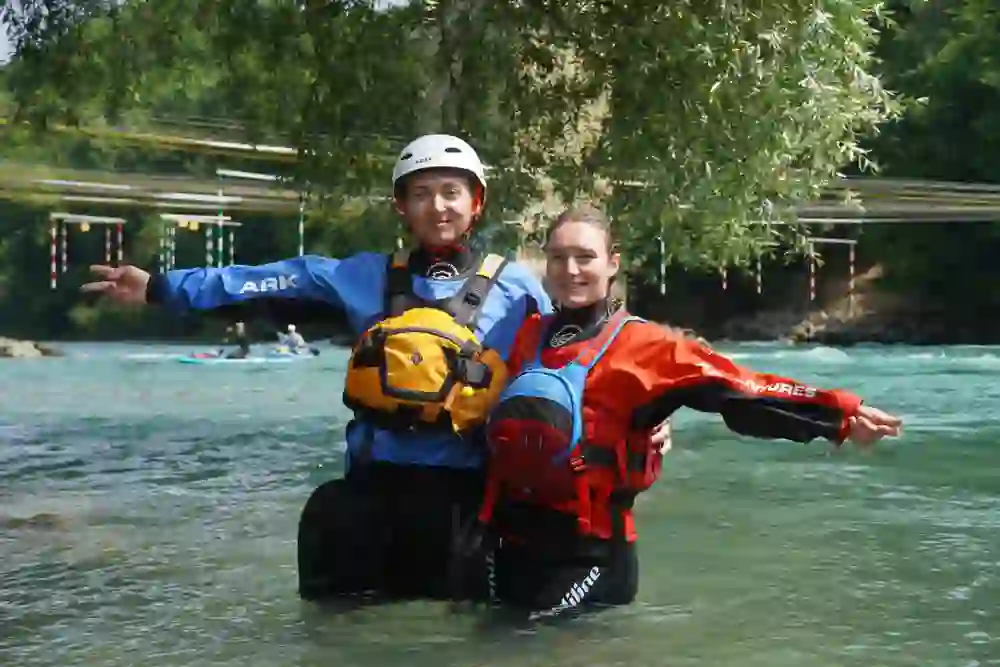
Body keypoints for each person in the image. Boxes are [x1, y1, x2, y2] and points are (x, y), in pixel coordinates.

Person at [81, 134, 562, 604]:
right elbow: (258, 282)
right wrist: (161, 288)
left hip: (464, 496)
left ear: (476, 203)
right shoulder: (362, 275)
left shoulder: (518, 289)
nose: (438, 206)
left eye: (451, 192)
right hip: (374, 488)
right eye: (422, 193)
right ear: (400, 206)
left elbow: (567, 368)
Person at [468, 204, 903, 621]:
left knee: (533, 642)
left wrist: (839, 415)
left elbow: (741, 390)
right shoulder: (528, 336)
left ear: (613, 263)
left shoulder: (649, 347)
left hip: (589, 553)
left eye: (585, 257)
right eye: (559, 257)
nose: (571, 270)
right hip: (512, 542)